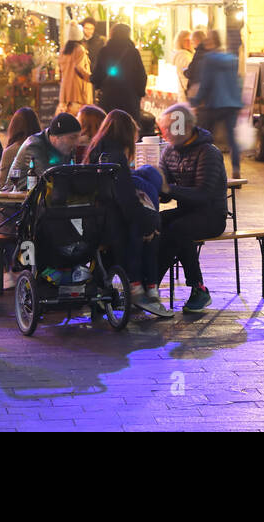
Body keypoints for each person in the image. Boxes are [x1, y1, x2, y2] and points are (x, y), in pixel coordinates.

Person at [84, 109, 172, 317]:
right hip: (112, 225)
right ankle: (144, 287)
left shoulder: (97, 151)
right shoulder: (116, 158)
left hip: (97, 219)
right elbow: (126, 200)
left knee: (147, 177)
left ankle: (146, 288)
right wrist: (148, 223)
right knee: (151, 225)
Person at [152, 103, 227, 313]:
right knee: (157, 222)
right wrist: (154, 187)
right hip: (187, 213)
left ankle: (197, 288)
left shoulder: (208, 152)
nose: (164, 134)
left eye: (167, 129)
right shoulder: (169, 151)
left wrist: (169, 188)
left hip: (211, 215)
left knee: (178, 230)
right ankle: (148, 287)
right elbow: (166, 194)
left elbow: (203, 196)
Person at [192, 29, 243, 177]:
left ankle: (208, 170)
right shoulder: (232, 59)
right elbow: (237, 80)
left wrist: (194, 100)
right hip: (232, 104)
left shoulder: (209, 59)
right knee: (232, 138)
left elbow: (206, 83)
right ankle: (236, 168)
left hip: (215, 104)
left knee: (207, 138)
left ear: (210, 42)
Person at [5, 112, 83, 187]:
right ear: (57, 136)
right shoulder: (34, 145)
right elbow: (48, 177)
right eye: (72, 138)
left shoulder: (67, 148)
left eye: (78, 137)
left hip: (43, 196)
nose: (76, 143)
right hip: (15, 197)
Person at [92, 22, 147, 119]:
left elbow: (97, 76)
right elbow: (141, 75)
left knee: (109, 127)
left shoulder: (104, 51)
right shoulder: (133, 52)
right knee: (128, 127)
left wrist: (99, 85)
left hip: (109, 98)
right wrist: (139, 94)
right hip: (129, 98)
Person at [0, 106, 41, 180]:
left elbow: (3, 182)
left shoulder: (10, 151)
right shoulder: (42, 147)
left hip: (16, 190)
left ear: (13, 126)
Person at [58, 38, 93, 114]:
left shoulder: (63, 50)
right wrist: (91, 78)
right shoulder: (79, 49)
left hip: (66, 90)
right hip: (78, 89)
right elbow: (79, 67)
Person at [183, 28, 208, 102]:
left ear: (197, 40)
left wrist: (185, 71)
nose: (191, 43)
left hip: (198, 91)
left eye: (192, 41)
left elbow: (191, 72)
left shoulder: (199, 53)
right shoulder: (209, 51)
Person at [170, 30, 193, 95]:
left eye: (190, 40)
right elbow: (186, 72)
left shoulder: (187, 54)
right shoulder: (183, 56)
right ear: (180, 42)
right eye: (186, 40)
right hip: (186, 91)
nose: (189, 42)